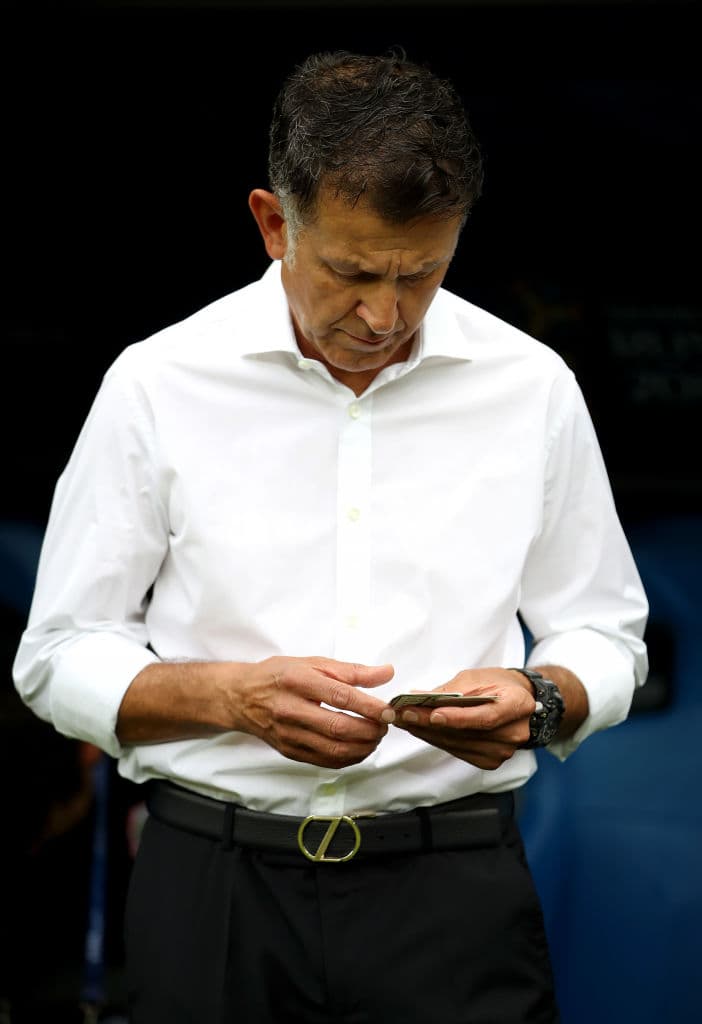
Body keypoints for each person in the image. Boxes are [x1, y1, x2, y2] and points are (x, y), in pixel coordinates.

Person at [13, 48, 649, 1023]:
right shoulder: (157, 382)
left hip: (455, 890)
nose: (383, 313)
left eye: (422, 273)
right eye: (352, 271)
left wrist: (545, 700)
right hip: (212, 890)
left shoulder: (533, 386)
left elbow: (603, 633)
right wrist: (229, 697)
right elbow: (57, 655)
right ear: (274, 222)